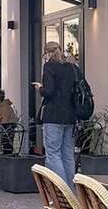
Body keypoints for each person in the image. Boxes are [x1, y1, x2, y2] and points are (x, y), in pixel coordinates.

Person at [34, 41, 79, 186]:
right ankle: (71, 191)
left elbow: (49, 91)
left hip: (53, 115)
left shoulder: (49, 66)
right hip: (70, 116)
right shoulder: (72, 68)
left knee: (53, 153)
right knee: (67, 155)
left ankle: (62, 190)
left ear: (47, 53)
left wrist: (40, 88)